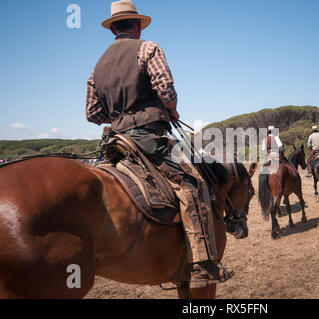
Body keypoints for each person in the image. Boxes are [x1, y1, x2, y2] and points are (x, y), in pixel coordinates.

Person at [85, 0, 233, 288]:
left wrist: (118, 114)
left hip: (116, 141)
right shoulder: (148, 48)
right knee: (192, 184)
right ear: (137, 25)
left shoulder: (96, 68)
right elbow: (166, 90)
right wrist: (171, 109)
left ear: (112, 29)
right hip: (147, 137)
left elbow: (92, 114)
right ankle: (203, 263)